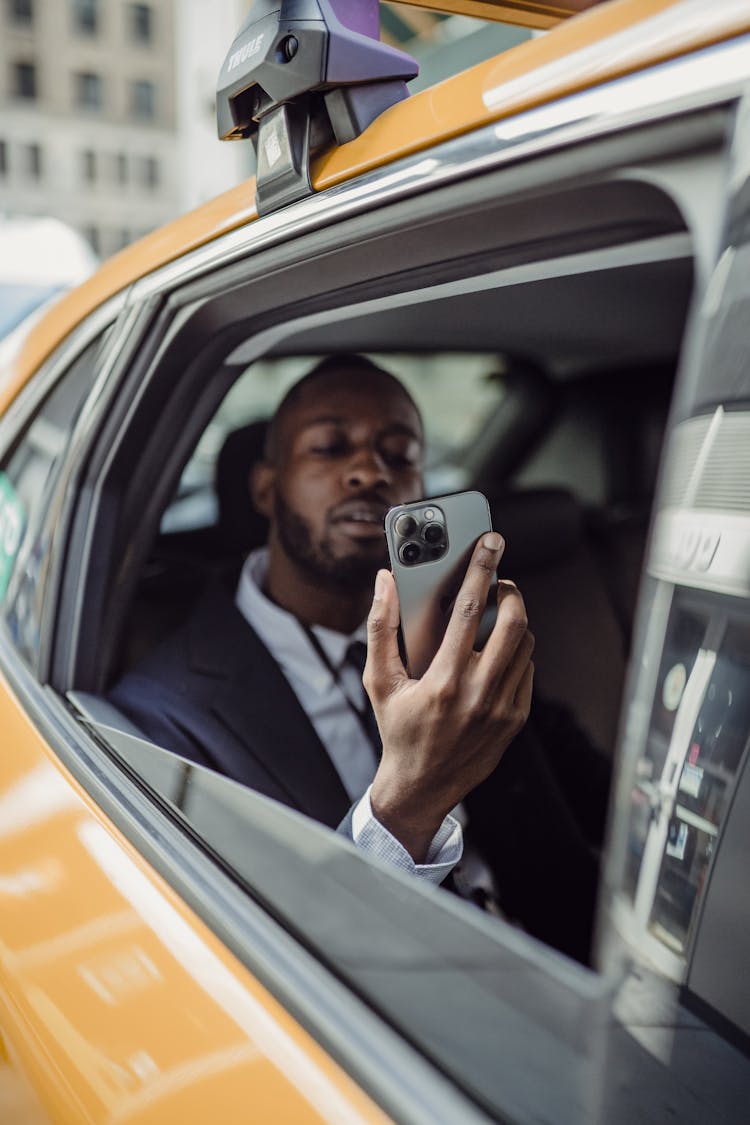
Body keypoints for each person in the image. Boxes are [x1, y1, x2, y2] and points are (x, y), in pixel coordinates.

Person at [111, 355, 605, 962]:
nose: (369, 471)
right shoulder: (163, 713)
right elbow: (257, 959)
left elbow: (591, 794)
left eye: (398, 455)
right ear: (267, 488)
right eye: (329, 447)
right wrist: (409, 802)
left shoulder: (451, 635)